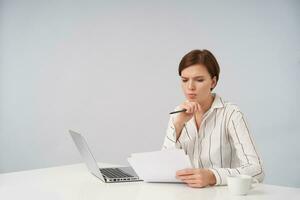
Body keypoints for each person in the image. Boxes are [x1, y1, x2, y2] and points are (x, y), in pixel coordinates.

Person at [162, 49, 264, 188]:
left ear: (213, 82)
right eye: (184, 80)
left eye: (199, 80)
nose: (190, 87)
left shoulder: (231, 114)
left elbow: (257, 170)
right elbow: (164, 166)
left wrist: (213, 176)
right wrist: (178, 124)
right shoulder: (178, 113)